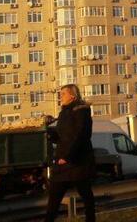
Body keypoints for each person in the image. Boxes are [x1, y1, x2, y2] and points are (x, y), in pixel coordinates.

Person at [45, 84, 96, 222]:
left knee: (86, 196)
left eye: (63, 94)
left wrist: (68, 156)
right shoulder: (63, 113)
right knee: (54, 198)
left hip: (78, 161)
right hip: (63, 162)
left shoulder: (81, 111)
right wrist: (50, 134)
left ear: (72, 96)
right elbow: (62, 136)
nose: (60, 97)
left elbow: (80, 135)